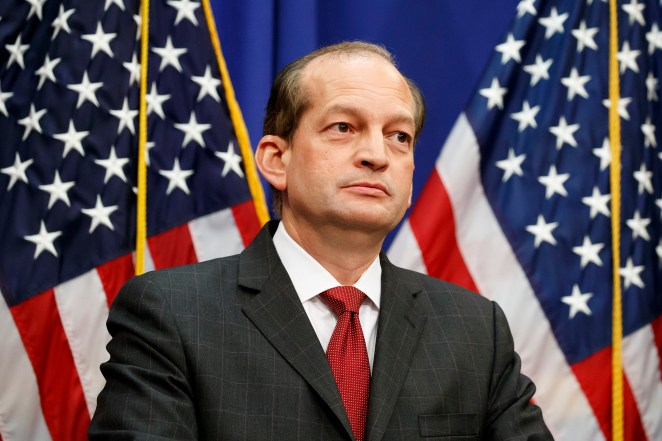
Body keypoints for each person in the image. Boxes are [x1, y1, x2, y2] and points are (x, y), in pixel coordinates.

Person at [89, 41, 553, 440]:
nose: (376, 155)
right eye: (344, 128)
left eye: (399, 136)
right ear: (276, 159)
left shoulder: (476, 329)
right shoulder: (171, 313)